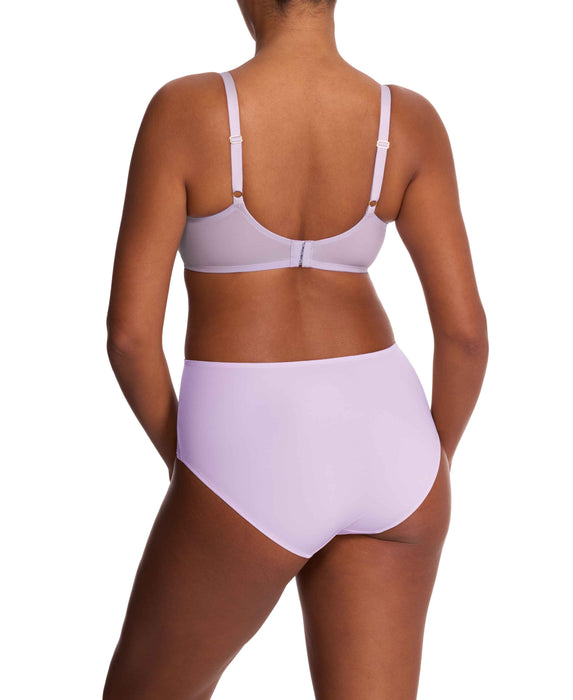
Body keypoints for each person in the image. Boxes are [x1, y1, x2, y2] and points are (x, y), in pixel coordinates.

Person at [103, 0, 488, 697]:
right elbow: (465, 337)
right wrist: (432, 463)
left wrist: (192, 465)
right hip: (394, 442)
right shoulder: (407, 120)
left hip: (249, 438)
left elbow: (130, 337)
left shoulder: (186, 111)